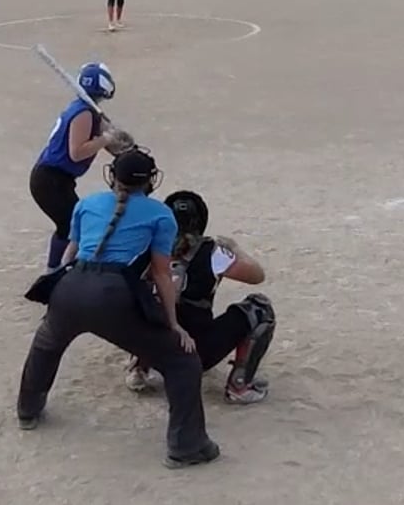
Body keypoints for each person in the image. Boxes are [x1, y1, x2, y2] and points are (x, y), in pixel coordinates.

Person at [16, 146, 221, 469]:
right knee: (182, 361)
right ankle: (187, 445)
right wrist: (173, 324)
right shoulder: (160, 214)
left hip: (71, 285)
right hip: (113, 294)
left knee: (47, 343)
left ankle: (28, 410)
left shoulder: (86, 204)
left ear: (112, 176)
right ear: (151, 181)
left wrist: (58, 295)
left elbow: (69, 254)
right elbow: (161, 274)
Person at [122, 190, 276, 404]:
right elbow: (257, 276)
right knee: (260, 307)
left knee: (138, 300)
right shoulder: (212, 251)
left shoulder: (148, 247)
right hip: (195, 352)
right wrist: (235, 248)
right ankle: (239, 386)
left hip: (152, 347)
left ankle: (141, 366)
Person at [29, 61, 132, 270]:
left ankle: (58, 269)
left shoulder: (90, 112)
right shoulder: (83, 113)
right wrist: (106, 138)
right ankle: (55, 271)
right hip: (50, 179)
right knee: (70, 226)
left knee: (72, 224)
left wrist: (124, 146)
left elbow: (110, 144)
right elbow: (77, 153)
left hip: (58, 180)